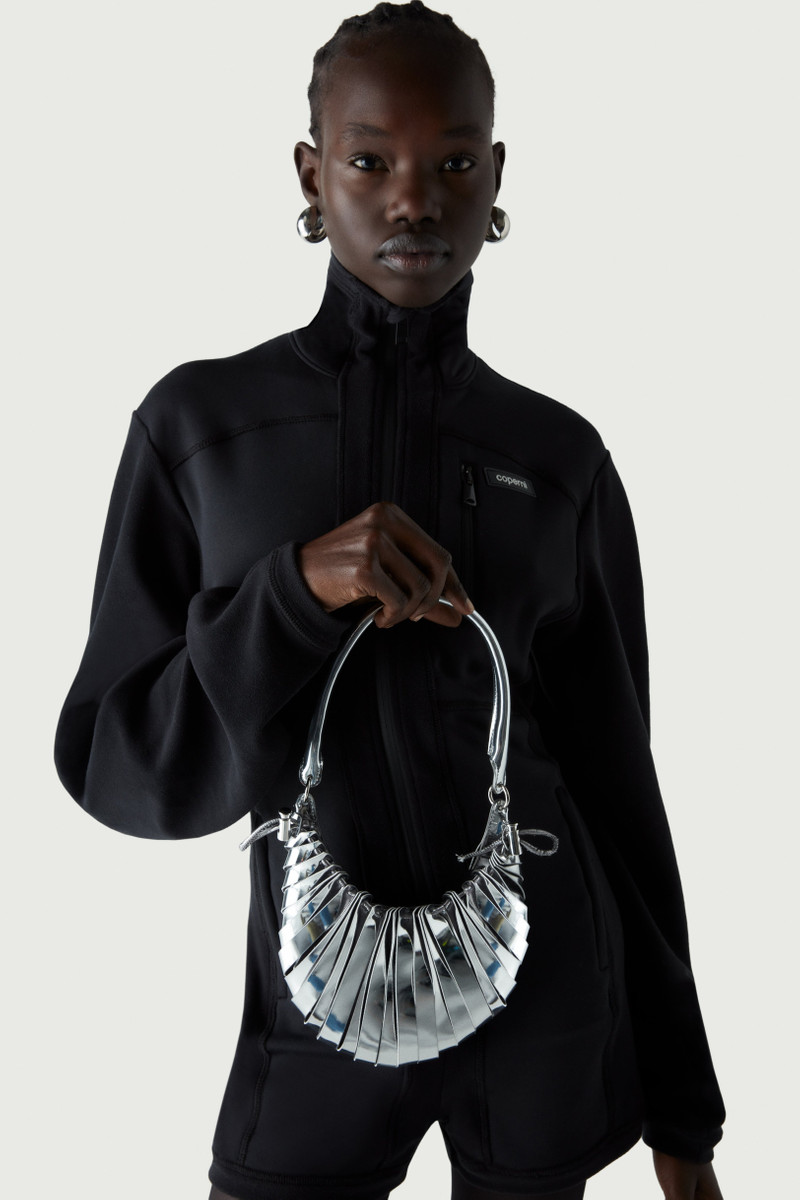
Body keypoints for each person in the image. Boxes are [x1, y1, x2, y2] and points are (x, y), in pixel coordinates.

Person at [53, 3, 726, 1198]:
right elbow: (116, 761)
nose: (413, 200)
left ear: (495, 177)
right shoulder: (202, 429)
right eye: (369, 161)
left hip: (543, 1003)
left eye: (452, 165)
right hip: (315, 999)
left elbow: (621, 788)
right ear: (311, 172)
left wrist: (683, 1110)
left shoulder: (556, 457)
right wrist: (293, 591)